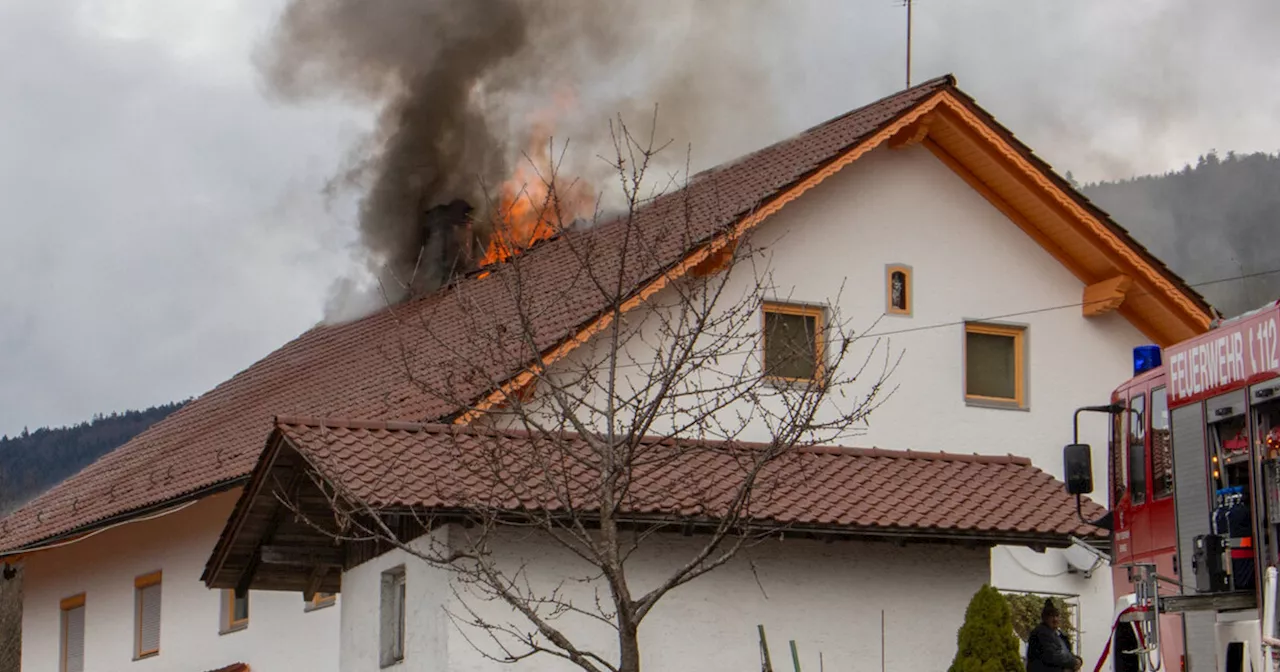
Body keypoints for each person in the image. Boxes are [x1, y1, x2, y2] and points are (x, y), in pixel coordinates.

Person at [1027, 599, 1083, 672]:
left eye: (1057, 616)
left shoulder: (1059, 634)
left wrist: (1078, 660)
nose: (1055, 619)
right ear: (1044, 618)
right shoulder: (1041, 633)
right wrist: (1074, 662)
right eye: (1052, 616)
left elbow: (1066, 653)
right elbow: (1052, 656)